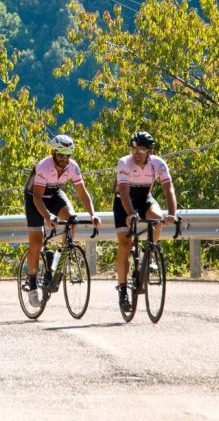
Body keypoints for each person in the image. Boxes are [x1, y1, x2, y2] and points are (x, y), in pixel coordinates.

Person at [24, 134, 101, 307]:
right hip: (35, 198)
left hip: (54, 194)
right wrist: (48, 217)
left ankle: (61, 259)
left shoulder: (73, 167)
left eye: (68, 156)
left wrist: (92, 214)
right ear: (53, 153)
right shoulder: (44, 166)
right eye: (60, 155)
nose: (64, 159)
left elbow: (82, 192)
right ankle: (32, 282)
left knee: (72, 219)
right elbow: (37, 198)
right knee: (36, 240)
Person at [114, 131, 177, 311]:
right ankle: (123, 290)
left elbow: (168, 189)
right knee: (125, 243)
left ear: (150, 151)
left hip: (145, 199)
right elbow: (124, 192)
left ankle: (146, 257)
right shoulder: (124, 163)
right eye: (134, 148)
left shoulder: (158, 164)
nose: (137, 153)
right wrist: (131, 213)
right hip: (123, 202)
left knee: (158, 219)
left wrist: (171, 214)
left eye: (142, 149)